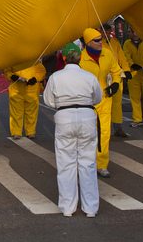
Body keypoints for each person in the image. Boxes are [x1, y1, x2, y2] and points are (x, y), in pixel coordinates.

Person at [43, 42, 103, 217]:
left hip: (65, 117)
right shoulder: (89, 76)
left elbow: (48, 100)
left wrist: (62, 105)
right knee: (88, 163)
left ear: (63, 57)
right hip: (87, 117)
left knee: (66, 164)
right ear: (80, 57)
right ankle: (91, 208)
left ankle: (68, 207)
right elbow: (97, 97)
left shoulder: (55, 77)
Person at [79, 28, 120, 178]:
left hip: (104, 98)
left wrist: (115, 83)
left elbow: (116, 71)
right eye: (97, 40)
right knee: (87, 134)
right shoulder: (80, 59)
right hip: (86, 101)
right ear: (88, 42)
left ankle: (102, 164)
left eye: (101, 39)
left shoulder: (107, 54)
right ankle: (86, 164)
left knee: (104, 133)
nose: (100, 43)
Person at [103, 25, 132, 138]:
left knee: (117, 103)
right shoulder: (98, 43)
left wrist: (126, 70)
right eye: (103, 30)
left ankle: (118, 128)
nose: (105, 32)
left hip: (116, 75)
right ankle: (103, 129)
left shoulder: (115, 42)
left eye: (107, 30)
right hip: (104, 76)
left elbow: (122, 57)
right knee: (103, 103)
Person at [7, 61, 46, 140]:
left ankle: (30, 131)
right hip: (16, 90)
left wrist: (35, 79)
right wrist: (12, 76)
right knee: (16, 112)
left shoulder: (35, 60)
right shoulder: (13, 59)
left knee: (31, 112)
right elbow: (7, 70)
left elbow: (42, 71)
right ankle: (16, 132)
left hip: (31, 90)